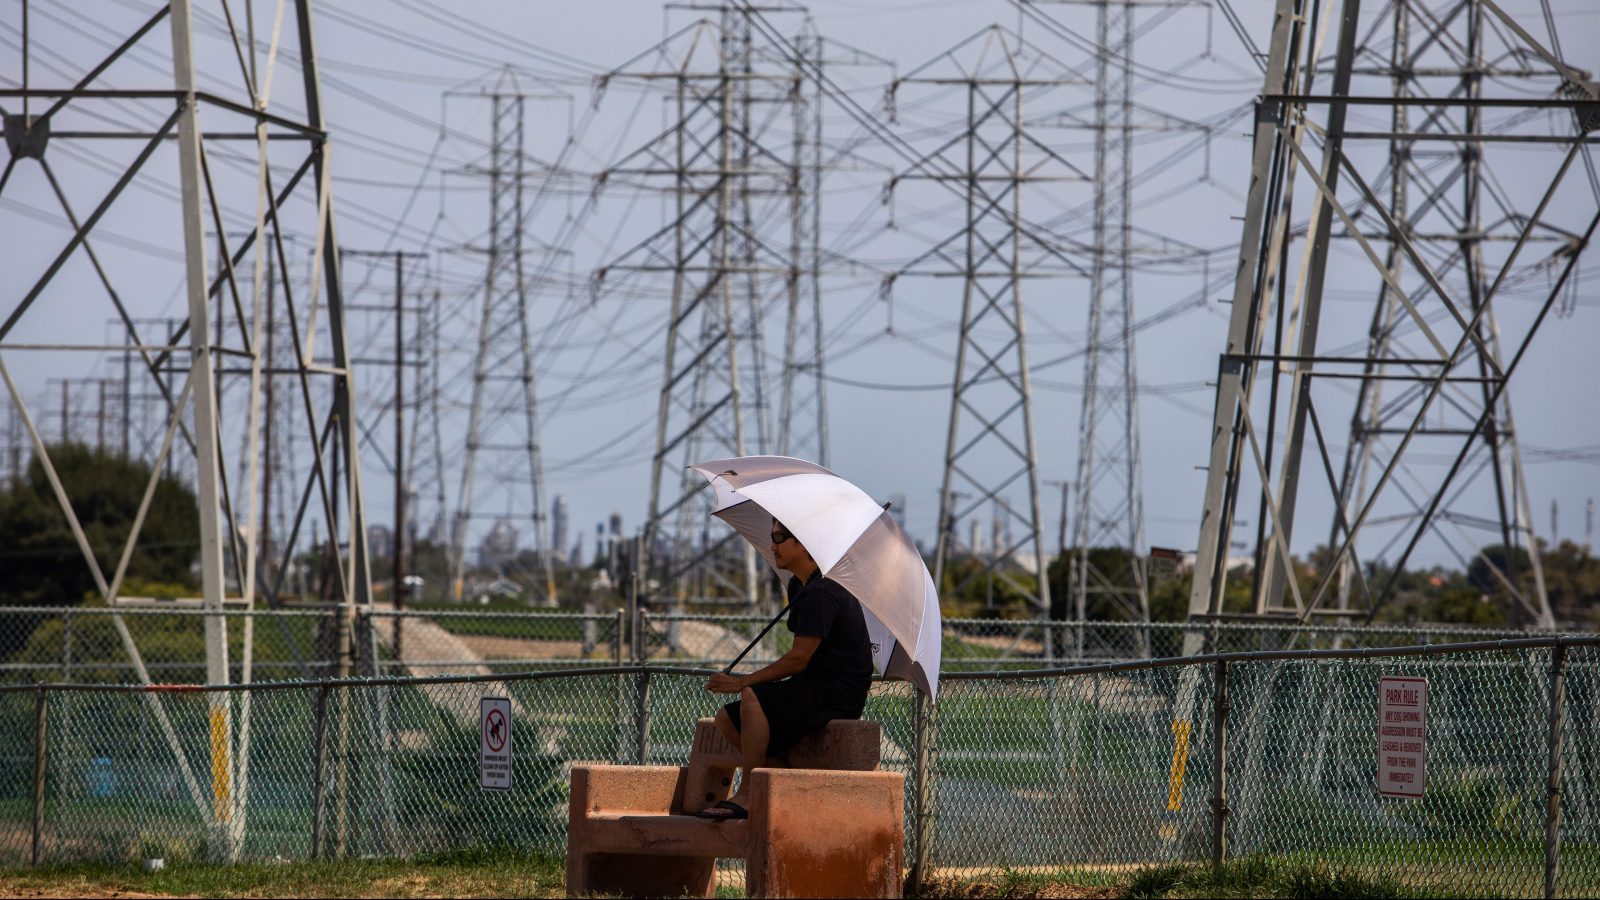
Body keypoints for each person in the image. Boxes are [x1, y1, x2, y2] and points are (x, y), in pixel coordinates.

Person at [699, 520, 873, 820]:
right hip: (811, 685)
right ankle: (780, 779)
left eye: (780, 538)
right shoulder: (800, 586)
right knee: (726, 719)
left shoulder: (823, 593)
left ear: (804, 543)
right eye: (772, 537)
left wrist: (743, 682)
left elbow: (798, 659)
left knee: (754, 697)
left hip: (838, 692)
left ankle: (751, 793)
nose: (773, 546)